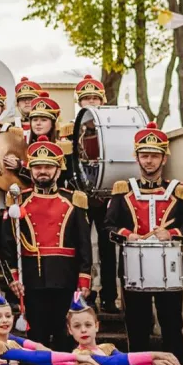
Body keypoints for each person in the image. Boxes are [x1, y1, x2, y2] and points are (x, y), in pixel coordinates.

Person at [105, 122, 183, 365]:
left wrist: (171, 233)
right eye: (144, 155)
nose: (149, 161)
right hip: (134, 272)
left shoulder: (179, 192)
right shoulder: (122, 191)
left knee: (173, 330)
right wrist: (128, 234)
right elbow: (108, 226)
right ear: (137, 157)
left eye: (154, 155)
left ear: (164, 158)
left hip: (169, 273)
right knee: (138, 331)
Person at [0, 136, 92, 365]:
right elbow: (7, 245)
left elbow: (84, 245)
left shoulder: (74, 200)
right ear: (30, 169)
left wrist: (84, 279)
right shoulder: (19, 201)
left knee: (64, 334)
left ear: (58, 170)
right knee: (36, 334)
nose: (42, 172)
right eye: (37, 167)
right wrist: (13, 278)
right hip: (32, 278)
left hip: (65, 277)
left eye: (48, 167)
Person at [73, 74, 117, 312]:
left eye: (95, 98)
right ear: (79, 102)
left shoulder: (112, 129)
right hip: (81, 198)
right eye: (86, 98)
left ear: (102, 100)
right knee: (82, 249)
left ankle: (109, 296)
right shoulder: (70, 131)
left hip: (105, 198)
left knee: (107, 249)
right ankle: (84, 294)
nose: (91, 102)